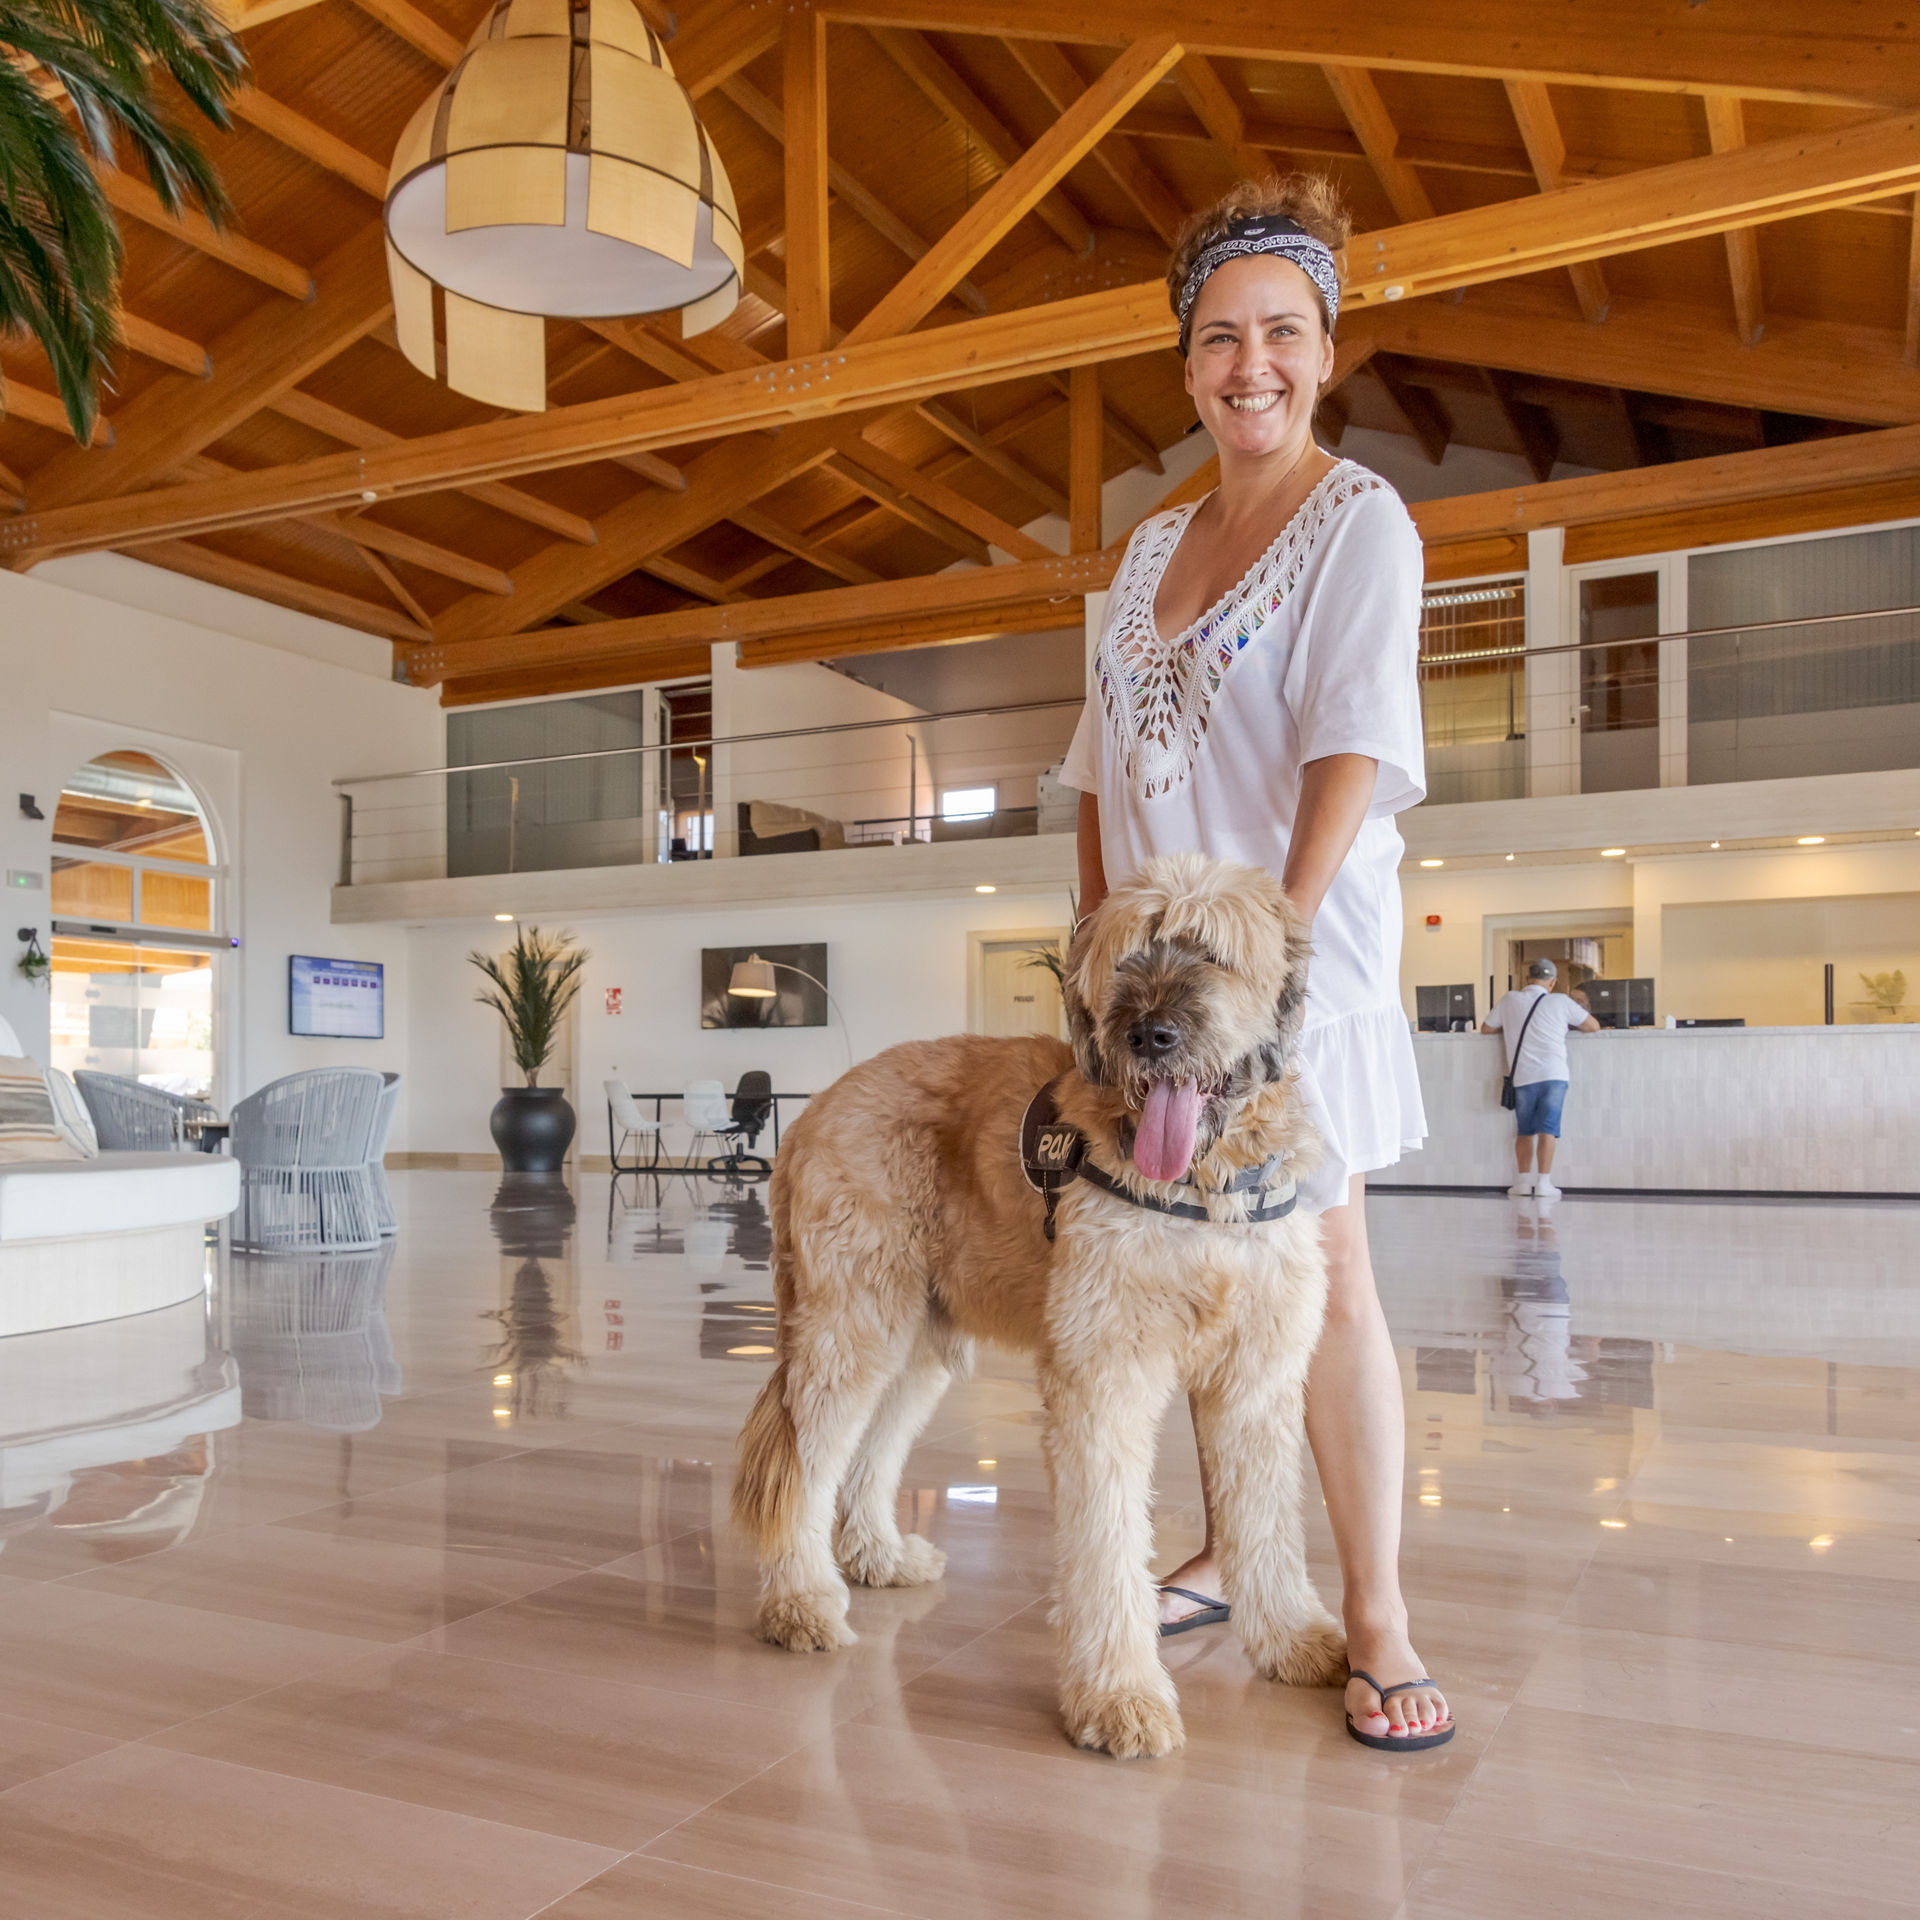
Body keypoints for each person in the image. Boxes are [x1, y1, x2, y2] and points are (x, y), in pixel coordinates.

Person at [1059, 175, 1450, 1751]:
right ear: (1187, 361)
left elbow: (1350, 753)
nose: (1251, 365)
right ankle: (1233, 1554)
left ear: (1326, 346)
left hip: (1298, 967)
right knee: (1194, 1267)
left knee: (1323, 1279)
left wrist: (1274, 958)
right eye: (1221, 337)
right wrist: (1096, 960)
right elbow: (1094, 774)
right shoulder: (1149, 548)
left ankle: (1377, 1617)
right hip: (1153, 992)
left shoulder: (1361, 521)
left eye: (1281, 332)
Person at [1482, 959, 1600, 1200]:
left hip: (1523, 1076)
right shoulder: (1560, 1001)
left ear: (1528, 979)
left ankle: (1523, 1184)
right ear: (1553, 982)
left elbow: (1486, 1028)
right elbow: (1593, 1026)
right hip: (1554, 1075)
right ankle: (1544, 1184)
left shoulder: (1509, 999)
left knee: (1524, 1130)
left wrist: (1511, 1025)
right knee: (1547, 1130)